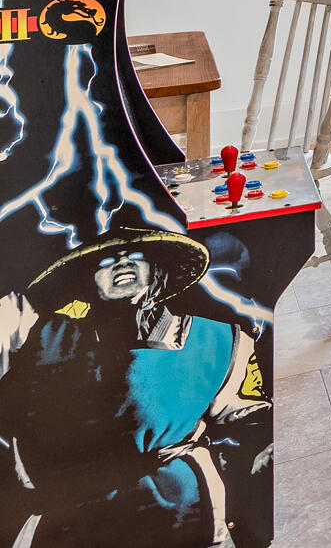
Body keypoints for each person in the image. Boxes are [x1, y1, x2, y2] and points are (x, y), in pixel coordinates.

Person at [0, 226, 268, 546]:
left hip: (185, 517)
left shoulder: (217, 340)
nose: (123, 262)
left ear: (157, 271)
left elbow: (251, 422)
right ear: (86, 279)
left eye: (137, 255)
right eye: (106, 260)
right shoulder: (39, 336)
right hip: (67, 522)